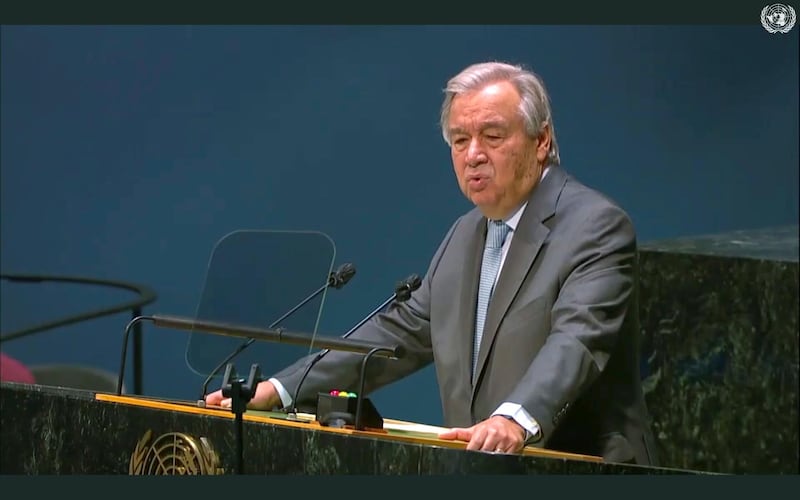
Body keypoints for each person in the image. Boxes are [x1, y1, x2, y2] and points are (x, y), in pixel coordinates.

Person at [206, 61, 658, 465]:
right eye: (460, 140)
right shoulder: (466, 234)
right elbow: (399, 333)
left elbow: (576, 342)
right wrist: (280, 390)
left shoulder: (594, 226)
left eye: (493, 136)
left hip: (583, 466)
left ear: (541, 141)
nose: (473, 154)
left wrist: (515, 420)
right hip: (482, 468)